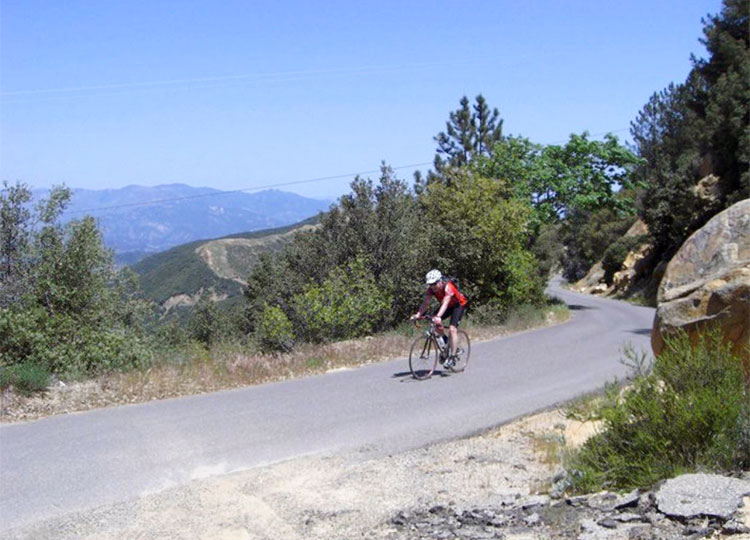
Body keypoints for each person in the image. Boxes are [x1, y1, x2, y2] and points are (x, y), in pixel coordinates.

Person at [410, 269, 468, 368]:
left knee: (452, 329)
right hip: (447, 306)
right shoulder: (431, 289)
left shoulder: (448, 287)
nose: (432, 287)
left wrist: (438, 317)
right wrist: (418, 315)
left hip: (458, 305)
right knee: (434, 323)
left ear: (440, 281)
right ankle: (446, 344)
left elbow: (445, 303)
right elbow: (426, 303)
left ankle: (453, 357)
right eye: (430, 284)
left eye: (434, 284)